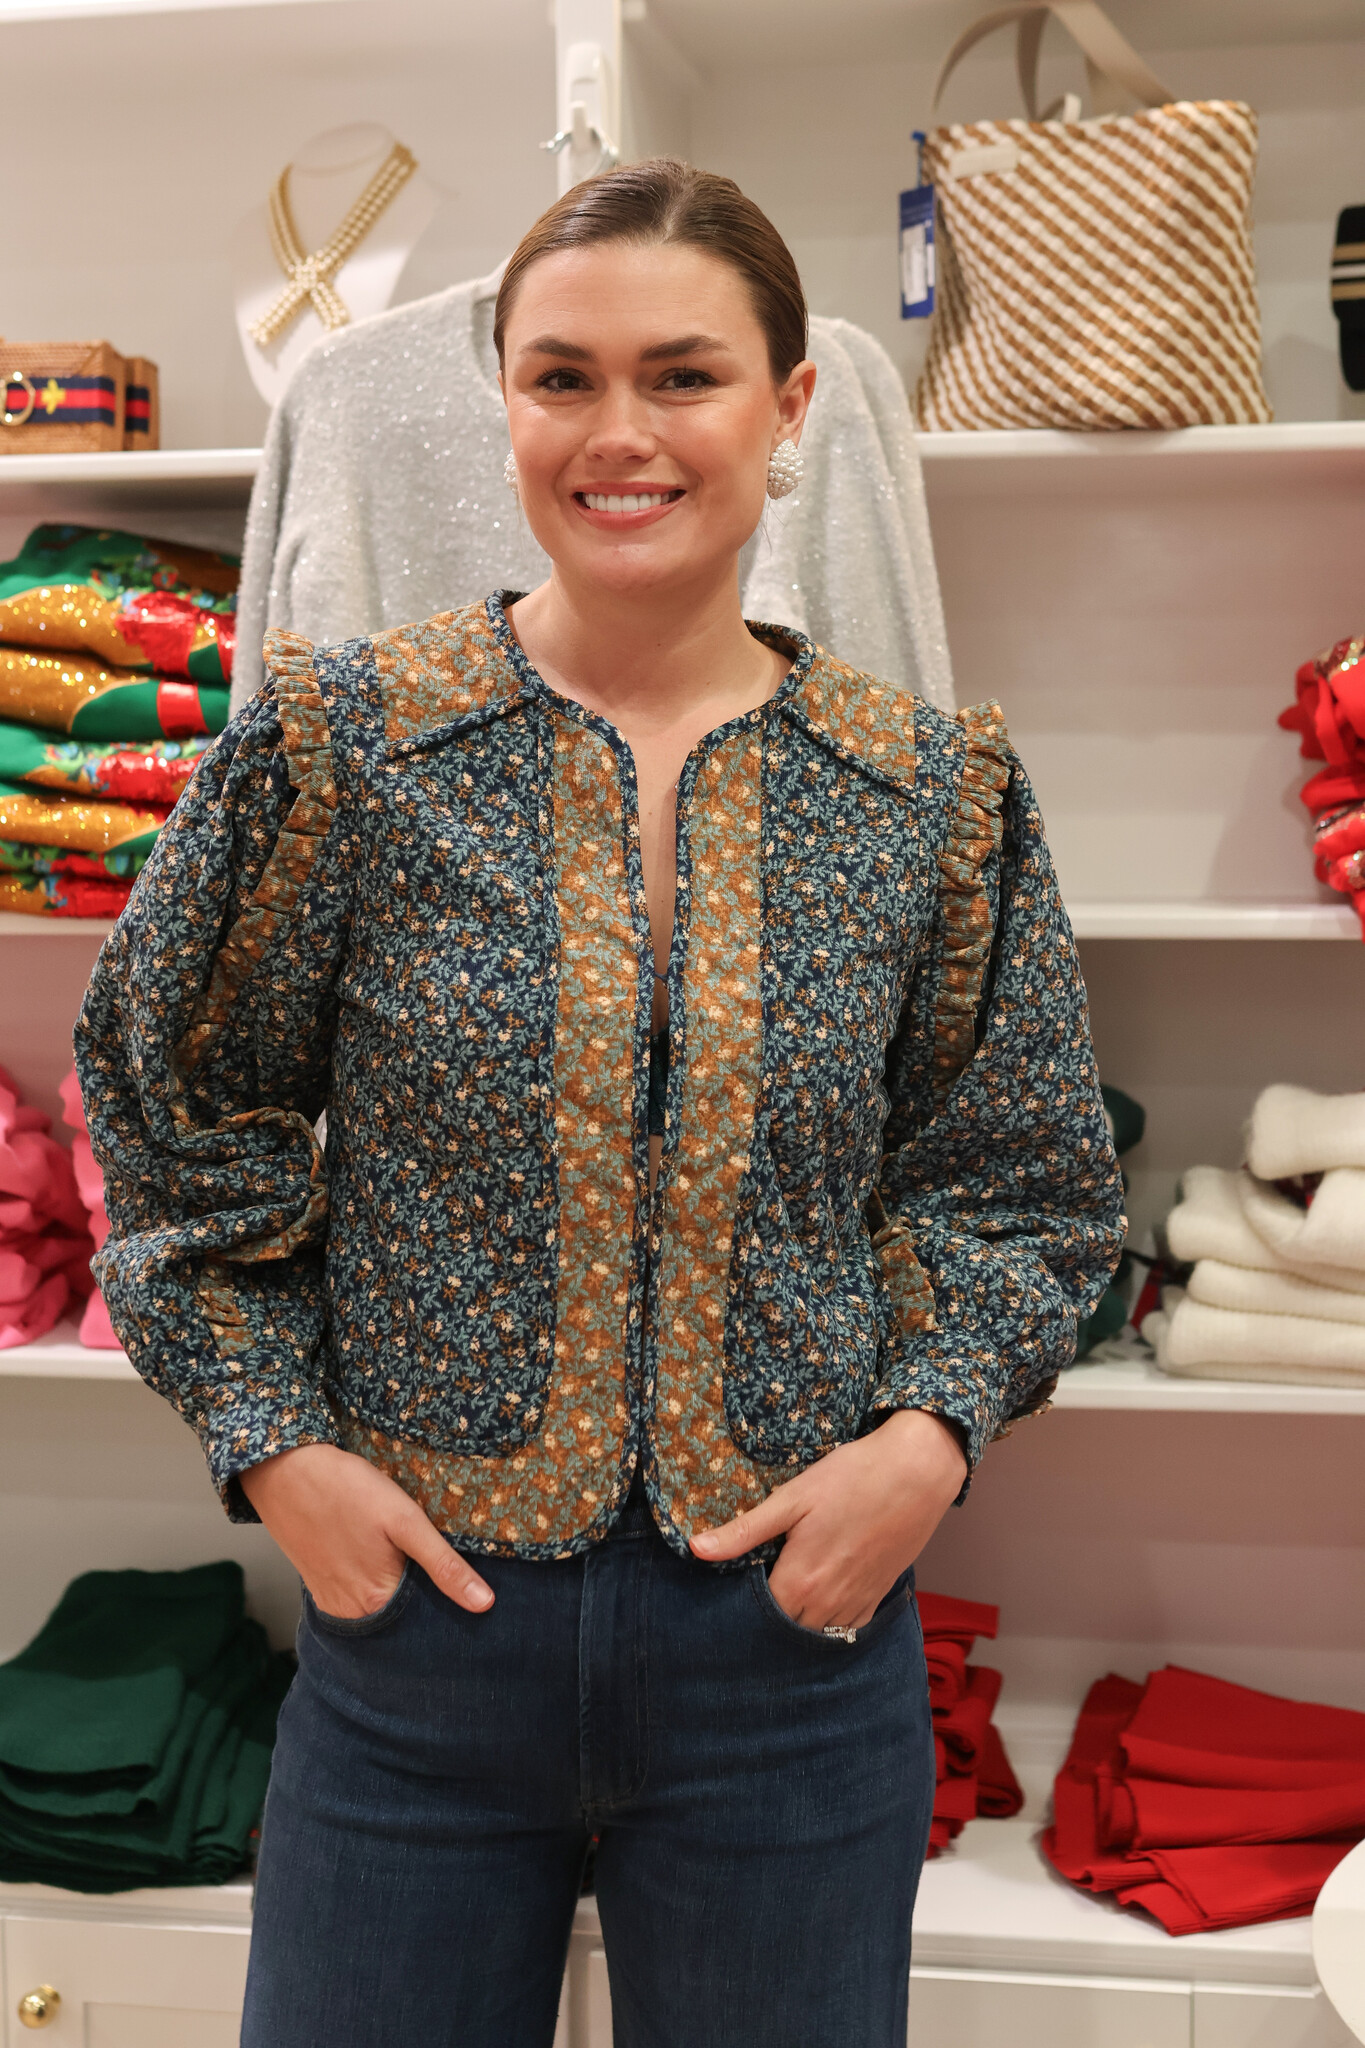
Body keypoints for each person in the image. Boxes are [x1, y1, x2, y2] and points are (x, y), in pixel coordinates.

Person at [75, 158, 1123, 2048]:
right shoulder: (345, 748)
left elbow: (1021, 1181)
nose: (617, 433)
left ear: (788, 407)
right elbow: (166, 1111)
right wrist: (278, 1449)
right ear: (505, 402)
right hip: (419, 1644)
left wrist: (923, 1445)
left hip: (788, 1655)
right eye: (561, 378)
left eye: (682, 376)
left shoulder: (927, 791)